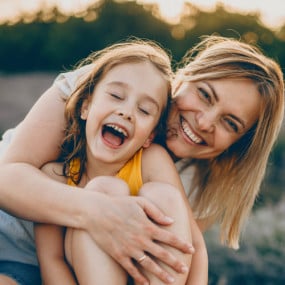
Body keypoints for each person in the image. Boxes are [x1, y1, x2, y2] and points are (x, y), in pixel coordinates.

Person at [0, 35, 283, 284]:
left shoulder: (199, 183)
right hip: (10, 240)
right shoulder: (117, 84)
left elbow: (191, 252)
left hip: (86, 271)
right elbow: (6, 181)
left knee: (162, 196)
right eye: (205, 95)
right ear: (185, 77)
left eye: (230, 123)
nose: (205, 122)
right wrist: (100, 211)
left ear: (239, 143)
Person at [33, 40, 207, 285]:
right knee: (104, 190)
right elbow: (52, 259)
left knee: (165, 195)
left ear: (149, 136)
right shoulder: (55, 175)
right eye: (116, 96)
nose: (126, 112)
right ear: (86, 106)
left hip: (146, 277)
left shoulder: (152, 159)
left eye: (144, 110)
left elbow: (191, 243)